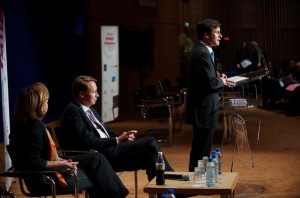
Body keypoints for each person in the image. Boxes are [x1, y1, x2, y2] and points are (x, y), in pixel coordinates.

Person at [8, 82, 129, 198]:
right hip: (45, 180)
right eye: (46, 101)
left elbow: (37, 156)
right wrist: (61, 163)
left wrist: (60, 160)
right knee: (97, 175)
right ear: (38, 105)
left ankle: (118, 194)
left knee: (95, 158)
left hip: (46, 172)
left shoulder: (21, 125)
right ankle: (118, 195)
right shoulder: (33, 127)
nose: (47, 104)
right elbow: (33, 163)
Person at [60, 75, 175, 182]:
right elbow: (88, 141)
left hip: (110, 149)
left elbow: (106, 131)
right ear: (81, 94)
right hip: (100, 155)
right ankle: (173, 185)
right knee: (150, 142)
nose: (98, 95)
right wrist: (117, 140)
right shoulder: (73, 111)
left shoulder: (91, 110)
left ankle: (165, 191)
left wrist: (124, 135)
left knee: (151, 157)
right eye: (94, 92)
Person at [185, 19, 227, 172]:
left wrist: (217, 78)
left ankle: (197, 181)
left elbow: (207, 79)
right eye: (217, 32)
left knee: (201, 149)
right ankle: (197, 183)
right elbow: (210, 84)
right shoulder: (202, 53)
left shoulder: (205, 51)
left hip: (205, 108)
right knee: (201, 150)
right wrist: (221, 81)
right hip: (203, 110)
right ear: (206, 35)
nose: (221, 35)